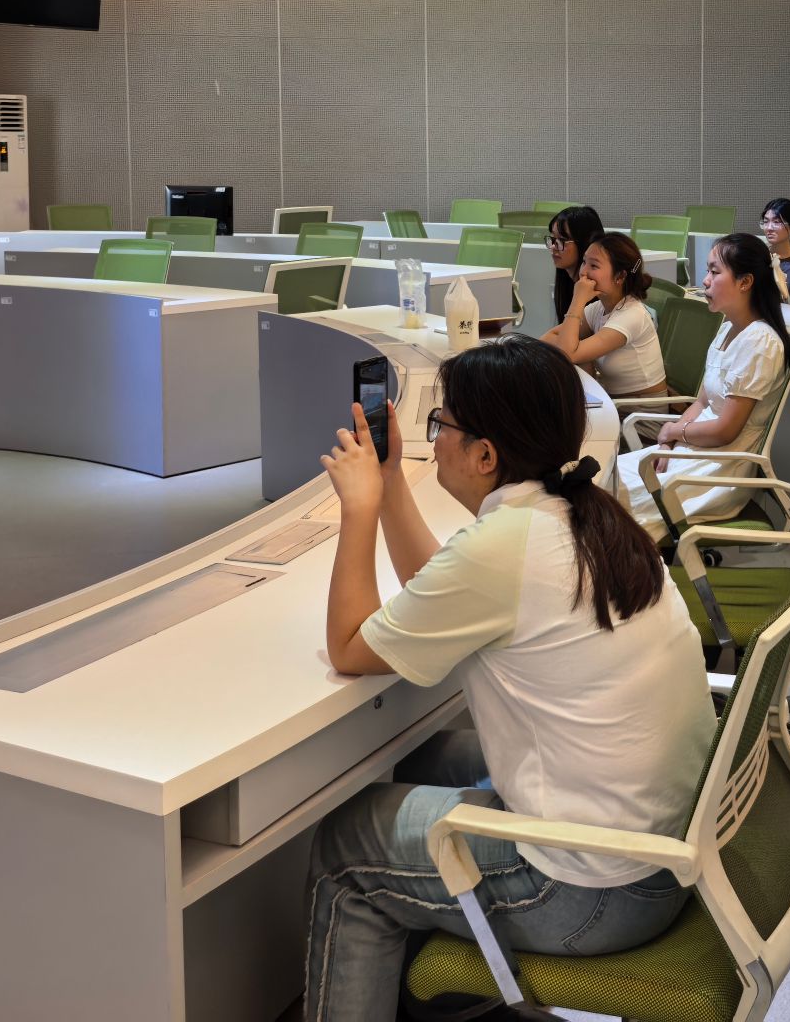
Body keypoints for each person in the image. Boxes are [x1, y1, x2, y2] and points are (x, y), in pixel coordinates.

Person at [304, 336, 713, 1020]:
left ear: (486, 456)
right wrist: (393, 479)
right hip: (659, 855)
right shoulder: (588, 514)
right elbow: (439, 589)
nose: (434, 439)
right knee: (421, 758)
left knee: (346, 844)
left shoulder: (504, 547)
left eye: (442, 425)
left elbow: (348, 646)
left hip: (590, 891)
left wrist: (360, 508)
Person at [614, 234, 790, 535]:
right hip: (693, 450)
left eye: (714, 271)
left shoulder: (760, 342)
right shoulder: (728, 329)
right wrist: (668, 442)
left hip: (718, 470)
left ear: (745, 282)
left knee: (613, 502)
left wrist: (674, 432)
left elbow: (725, 430)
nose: (705, 281)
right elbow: (701, 402)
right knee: (607, 479)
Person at [541, 232, 666, 401]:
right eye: (584, 262)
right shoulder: (599, 308)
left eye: (594, 266)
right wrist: (575, 348)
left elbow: (567, 353)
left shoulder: (632, 315)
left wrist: (578, 300)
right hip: (612, 403)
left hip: (638, 413)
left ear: (620, 276)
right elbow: (547, 339)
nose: (583, 272)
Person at [546, 205, 604, 323]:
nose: (553, 246)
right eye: (552, 238)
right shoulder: (567, 282)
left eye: (562, 240)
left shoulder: (599, 293)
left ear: (585, 243)